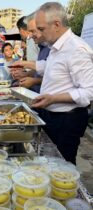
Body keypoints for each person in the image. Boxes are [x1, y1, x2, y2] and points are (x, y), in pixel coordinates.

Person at [32, 2, 93, 164]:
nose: (39, 34)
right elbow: (54, 69)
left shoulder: (76, 49)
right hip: (51, 116)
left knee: (62, 166)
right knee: (48, 161)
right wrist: (28, 68)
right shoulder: (56, 46)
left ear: (57, 24)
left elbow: (88, 91)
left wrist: (54, 98)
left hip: (66, 120)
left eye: (42, 29)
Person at [12, 12, 51, 93]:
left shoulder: (52, 47)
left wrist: (34, 80)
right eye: (30, 31)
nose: (31, 35)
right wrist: (26, 74)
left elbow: (55, 77)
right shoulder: (42, 46)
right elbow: (41, 68)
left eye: (33, 31)